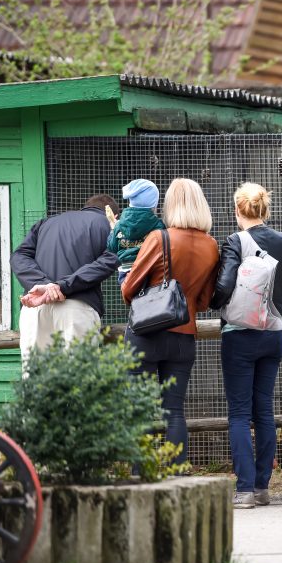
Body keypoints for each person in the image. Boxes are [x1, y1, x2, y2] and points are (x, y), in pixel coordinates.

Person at [122, 178, 219, 466]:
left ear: (170, 205)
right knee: (174, 411)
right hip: (183, 335)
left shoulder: (159, 238)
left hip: (147, 334)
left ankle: (142, 477)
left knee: (139, 409)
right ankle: (177, 475)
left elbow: (129, 290)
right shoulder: (211, 245)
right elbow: (203, 301)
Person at [211, 183, 282, 509]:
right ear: (264, 209)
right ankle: (261, 488)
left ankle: (244, 490)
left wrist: (214, 301)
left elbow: (226, 283)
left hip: (240, 333)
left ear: (237, 210)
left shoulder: (235, 241)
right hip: (273, 331)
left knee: (239, 414)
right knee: (264, 411)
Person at [10, 195, 121, 364]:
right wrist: (60, 287)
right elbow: (110, 260)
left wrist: (43, 285)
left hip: (35, 308)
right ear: (115, 216)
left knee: (36, 382)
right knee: (77, 383)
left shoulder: (45, 223)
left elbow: (18, 256)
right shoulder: (108, 225)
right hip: (76, 308)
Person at [106, 179, 165, 284]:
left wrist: (112, 229)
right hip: (149, 271)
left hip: (126, 276)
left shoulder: (119, 225)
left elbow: (112, 247)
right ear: (153, 204)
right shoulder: (158, 225)